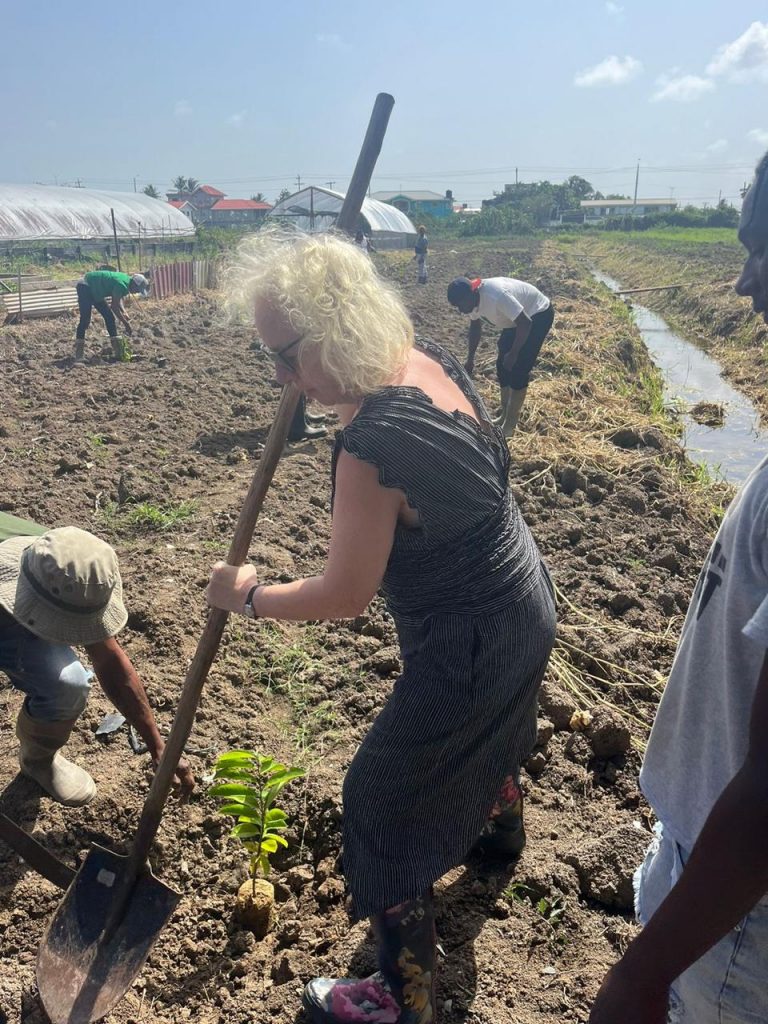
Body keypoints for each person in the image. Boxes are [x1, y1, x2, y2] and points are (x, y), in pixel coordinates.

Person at [207, 230, 556, 1024]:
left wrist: (250, 596)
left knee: (380, 796)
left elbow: (344, 594)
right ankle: (498, 841)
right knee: (489, 733)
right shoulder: (424, 355)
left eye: (286, 356)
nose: (280, 377)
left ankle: (403, 998)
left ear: (332, 331)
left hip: (468, 638)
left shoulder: (370, 447)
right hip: (523, 600)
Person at [589, 151, 768, 1024]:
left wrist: (640, 972)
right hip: (716, 878)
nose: (742, 287)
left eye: (761, 253)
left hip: (736, 919)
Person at [0, 512, 194, 806]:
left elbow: (110, 663)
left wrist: (157, 746)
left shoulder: (62, 566)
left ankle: (38, 761)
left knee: (68, 684)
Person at [447, 274, 554, 438]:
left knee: (519, 368)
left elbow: (525, 323)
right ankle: (504, 414)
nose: (461, 310)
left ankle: (510, 425)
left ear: (472, 294)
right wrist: (470, 359)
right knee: (502, 366)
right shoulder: (471, 302)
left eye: (461, 305)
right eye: (457, 307)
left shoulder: (496, 296)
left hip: (536, 314)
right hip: (516, 319)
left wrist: (514, 352)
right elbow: (475, 328)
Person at [74, 269, 149, 363]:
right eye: (137, 289)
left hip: (96, 290)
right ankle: (79, 355)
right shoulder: (122, 284)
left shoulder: (125, 281)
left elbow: (118, 297)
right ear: (134, 284)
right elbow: (114, 306)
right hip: (86, 285)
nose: (136, 292)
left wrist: (124, 311)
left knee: (109, 317)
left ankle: (118, 352)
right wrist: (126, 324)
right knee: (85, 319)